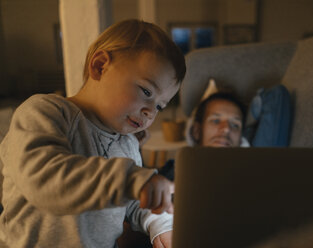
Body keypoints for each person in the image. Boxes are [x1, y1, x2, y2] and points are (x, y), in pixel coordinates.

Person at [0, 19, 186, 248]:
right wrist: (131, 179)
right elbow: (43, 179)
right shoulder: (44, 112)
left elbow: (133, 202)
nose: (150, 112)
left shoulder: (127, 144)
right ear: (99, 66)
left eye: (159, 106)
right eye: (146, 91)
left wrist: (162, 224)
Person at [159, 91, 247, 181]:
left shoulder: (253, 177)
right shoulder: (174, 175)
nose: (226, 129)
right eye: (216, 121)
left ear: (241, 139)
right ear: (197, 131)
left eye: (235, 125)